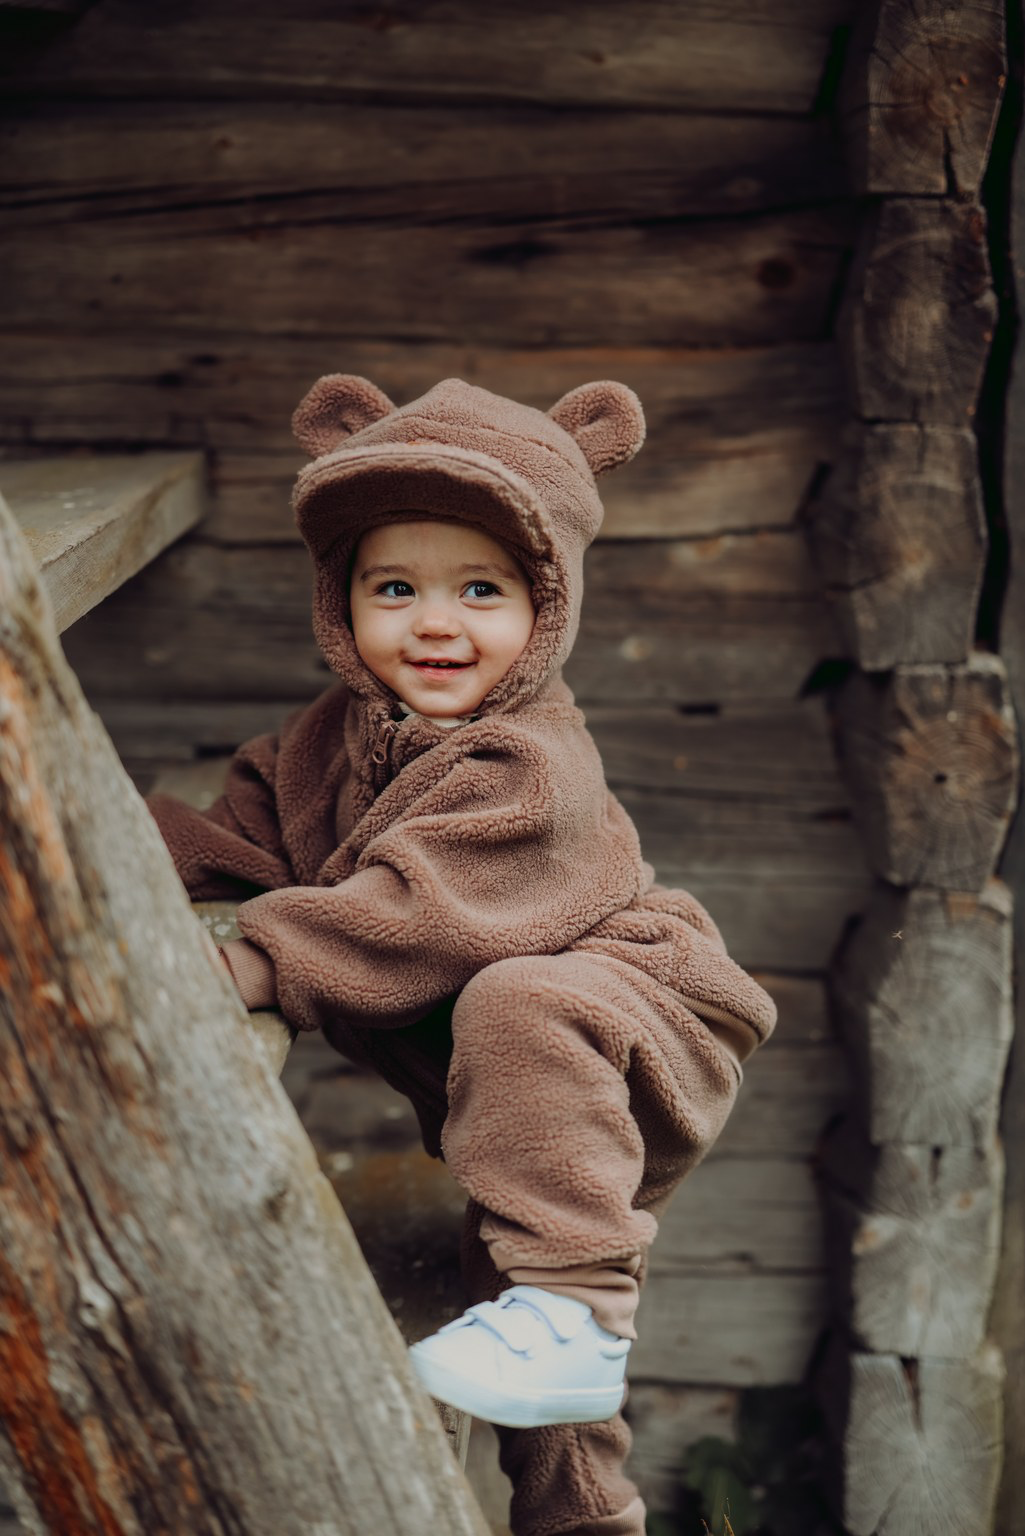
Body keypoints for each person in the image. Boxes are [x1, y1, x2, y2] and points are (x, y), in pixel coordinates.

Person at [145, 372, 777, 1536]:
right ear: (341, 603)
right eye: (394, 587)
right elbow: (242, 842)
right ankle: (585, 1507)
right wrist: (124, 872)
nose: (433, 622)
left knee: (516, 1002)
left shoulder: (532, 767)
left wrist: (253, 957)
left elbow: (421, 917)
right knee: (524, 1343)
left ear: (547, 606)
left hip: (631, 1029)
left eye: (480, 589)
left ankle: (579, 1314)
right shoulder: (323, 742)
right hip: (517, 1104)